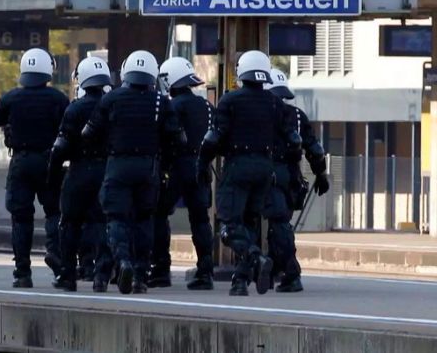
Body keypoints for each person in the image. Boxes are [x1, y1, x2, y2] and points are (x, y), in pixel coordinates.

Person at [198, 50, 301, 296]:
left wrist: (203, 162)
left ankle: (255, 257)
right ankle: (240, 280)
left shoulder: (230, 100)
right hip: (266, 169)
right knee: (250, 223)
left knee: (231, 225)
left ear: (241, 72)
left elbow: (214, 137)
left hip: (238, 166)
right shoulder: (275, 103)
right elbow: (294, 140)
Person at [82, 50, 183, 294]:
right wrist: (164, 164)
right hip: (149, 167)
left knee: (115, 218)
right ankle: (139, 275)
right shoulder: (162, 102)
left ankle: (121, 261)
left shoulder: (111, 99)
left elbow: (89, 134)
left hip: (117, 164)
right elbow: (177, 139)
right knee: (143, 220)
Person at [0, 48, 69, 288]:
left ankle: (22, 272)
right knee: (54, 212)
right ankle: (56, 256)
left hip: (21, 161)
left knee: (21, 217)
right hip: (49, 161)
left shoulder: (10, 97)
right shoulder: (58, 98)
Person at [150, 57, 215, 290]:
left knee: (159, 214)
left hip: (176, 167)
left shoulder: (171, 106)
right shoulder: (206, 106)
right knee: (200, 219)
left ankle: (160, 269)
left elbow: (164, 138)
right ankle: (206, 270)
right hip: (201, 167)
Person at [50, 56, 113, 293]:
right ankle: (102, 275)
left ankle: (68, 275)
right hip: (107, 169)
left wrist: (53, 175)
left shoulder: (74, 108)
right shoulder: (112, 104)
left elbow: (60, 147)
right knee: (103, 222)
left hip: (78, 170)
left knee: (70, 223)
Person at [265, 68, 330, 293]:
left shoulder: (264, 115)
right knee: (280, 223)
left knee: (278, 224)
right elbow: (315, 149)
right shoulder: (298, 116)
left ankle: (292, 274)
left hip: (271, 175)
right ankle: (273, 269)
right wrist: (321, 174)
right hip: (293, 176)